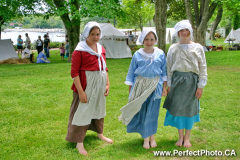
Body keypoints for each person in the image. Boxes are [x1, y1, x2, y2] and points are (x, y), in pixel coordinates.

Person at [65, 21, 113, 155]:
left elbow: (104, 67)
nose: (96, 37)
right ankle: (79, 142)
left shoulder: (101, 48)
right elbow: (74, 73)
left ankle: (100, 133)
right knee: (82, 111)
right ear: (86, 34)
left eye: (98, 34)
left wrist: (107, 84)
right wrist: (81, 92)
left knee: (98, 107)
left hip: (100, 84)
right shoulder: (79, 51)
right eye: (92, 34)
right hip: (86, 85)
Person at [119, 29, 167, 149]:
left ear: (155, 40)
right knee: (143, 111)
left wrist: (164, 87)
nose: (149, 42)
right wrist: (131, 90)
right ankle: (146, 137)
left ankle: (152, 137)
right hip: (140, 85)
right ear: (142, 40)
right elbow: (131, 73)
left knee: (153, 112)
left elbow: (164, 72)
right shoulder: (137, 55)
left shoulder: (160, 54)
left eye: (151, 39)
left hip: (155, 86)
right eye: (146, 39)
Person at [163, 20, 208, 148]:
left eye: (186, 30)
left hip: (192, 82)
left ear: (190, 31)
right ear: (177, 32)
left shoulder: (198, 47)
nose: (184, 32)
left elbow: (203, 67)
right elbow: (169, 66)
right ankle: (180, 137)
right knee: (178, 109)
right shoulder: (173, 47)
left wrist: (200, 86)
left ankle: (187, 138)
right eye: (181, 30)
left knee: (189, 109)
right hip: (177, 81)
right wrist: (169, 84)